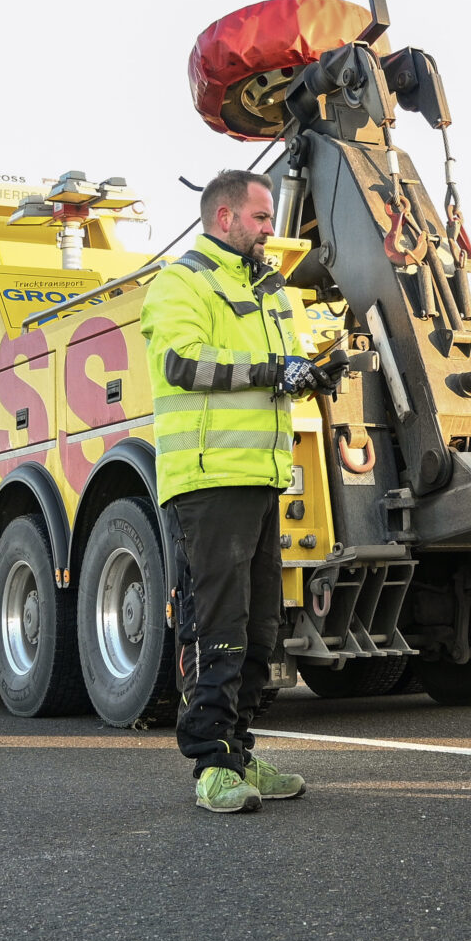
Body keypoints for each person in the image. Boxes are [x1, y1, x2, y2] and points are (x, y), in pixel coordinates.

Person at [144, 168, 339, 813]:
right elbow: (182, 362)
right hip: (206, 481)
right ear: (224, 218)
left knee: (259, 629)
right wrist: (270, 370)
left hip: (258, 477)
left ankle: (242, 752)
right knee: (215, 624)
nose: (269, 231)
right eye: (260, 219)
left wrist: (311, 372)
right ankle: (210, 763)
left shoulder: (270, 290)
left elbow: (281, 371)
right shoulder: (182, 281)